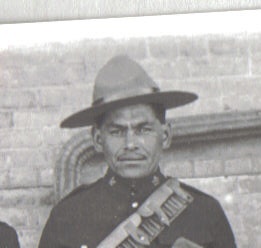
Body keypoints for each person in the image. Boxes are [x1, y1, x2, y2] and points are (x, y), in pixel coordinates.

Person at [39, 55, 237, 248]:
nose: (130, 143)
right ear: (98, 140)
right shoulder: (67, 217)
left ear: (165, 135)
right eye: (117, 131)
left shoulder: (204, 213)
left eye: (143, 129)